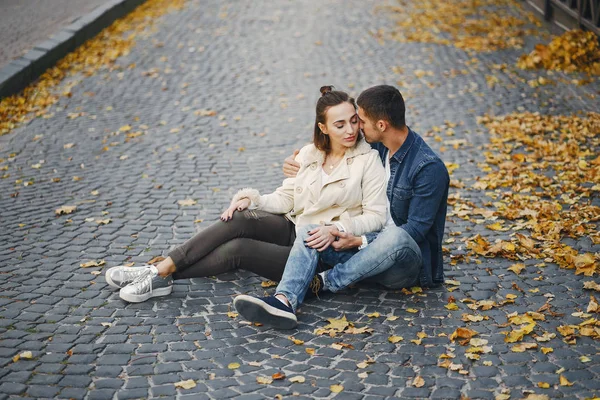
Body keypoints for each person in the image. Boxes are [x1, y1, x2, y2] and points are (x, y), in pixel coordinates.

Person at [104, 86, 387, 303]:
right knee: (239, 219)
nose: (350, 130)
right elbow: (287, 199)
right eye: (340, 125)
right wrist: (253, 200)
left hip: (316, 248)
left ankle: (160, 273)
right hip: (292, 225)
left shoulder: (367, 160)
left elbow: (375, 217)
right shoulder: (310, 153)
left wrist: (338, 228)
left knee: (239, 250)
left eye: (353, 121)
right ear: (323, 128)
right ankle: (157, 271)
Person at [234, 84, 449, 329]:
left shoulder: (428, 168)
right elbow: (334, 133)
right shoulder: (376, 146)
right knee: (312, 230)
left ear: (381, 125)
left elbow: (415, 231)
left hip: (403, 264)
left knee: (396, 236)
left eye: (361, 121)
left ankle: (325, 282)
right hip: (362, 256)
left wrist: (359, 241)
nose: (356, 129)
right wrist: (301, 159)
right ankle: (284, 301)